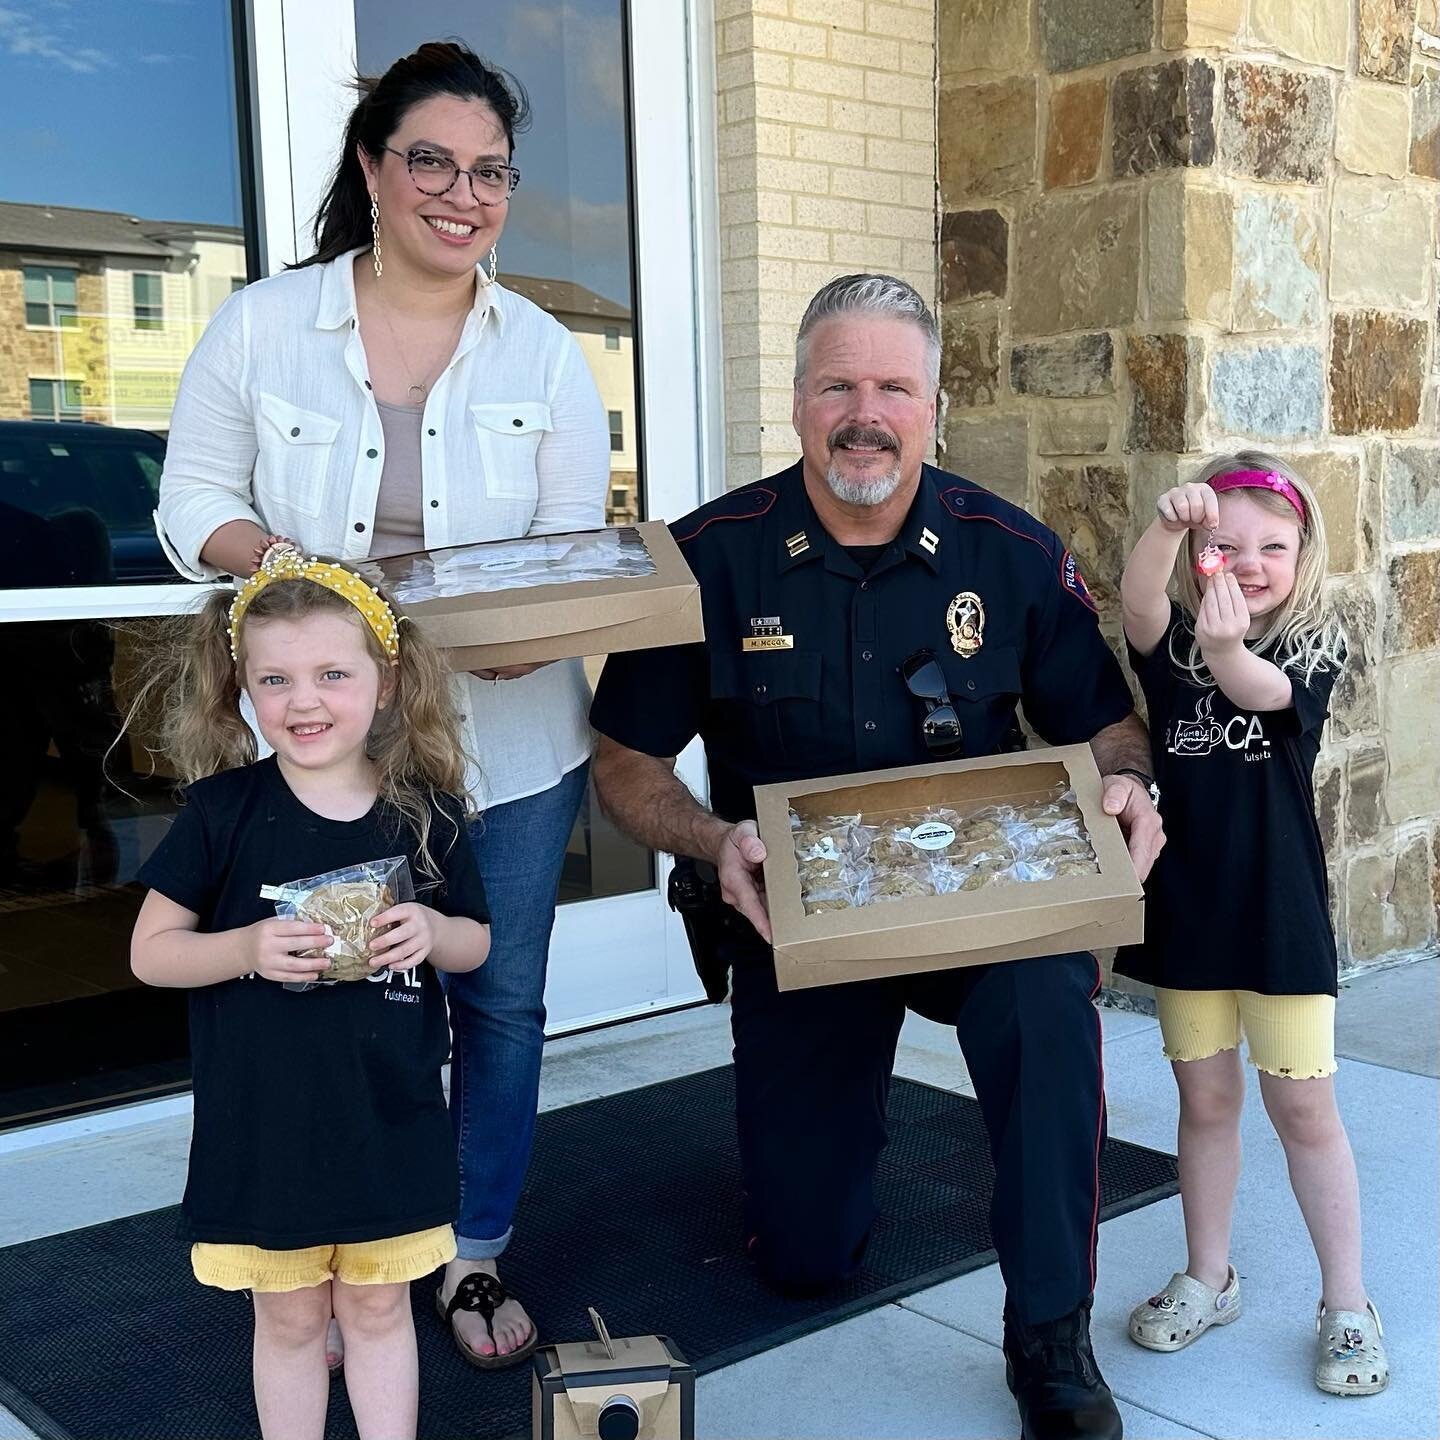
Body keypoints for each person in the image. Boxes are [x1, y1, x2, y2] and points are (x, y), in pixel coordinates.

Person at [589, 273, 1166, 1440]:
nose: (867, 412)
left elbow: (1105, 721)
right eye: (839, 385)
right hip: (799, 927)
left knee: (1053, 1002)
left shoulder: (1009, 554)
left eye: (894, 386)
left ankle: (1051, 1332)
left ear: (934, 404)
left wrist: (1133, 784)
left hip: (979, 908)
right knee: (803, 1260)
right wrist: (715, 841)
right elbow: (624, 763)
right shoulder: (710, 558)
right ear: (797, 404)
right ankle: (834, 1135)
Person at [156, 40, 610, 1366]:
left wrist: (541, 628)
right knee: (316, 993)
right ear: (372, 167)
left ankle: (469, 1257)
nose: (460, 195)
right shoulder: (263, 322)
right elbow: (193, 506)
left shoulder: (544, 353)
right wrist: (296, 575)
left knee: (495, 1002)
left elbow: (568, 543)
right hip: (320, 750)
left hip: (510, 743)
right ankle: (316, 1244)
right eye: (430, 161)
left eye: (489, 172)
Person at [128, 547, 491, 1439]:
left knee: (376, 1311)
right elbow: (151, 954)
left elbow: (477, 943)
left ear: (387, 677)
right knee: (289, 1320)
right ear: (244, 689)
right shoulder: (223, 813)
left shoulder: (426, 811)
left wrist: (431, 934)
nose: (304, 700)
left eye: (333, 672)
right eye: (275, 678)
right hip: (264, 1130)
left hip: (387, 1119)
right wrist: (245, 947)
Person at [1116, 456, 1388, 1395]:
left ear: (1302, 555)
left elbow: (1266, 696)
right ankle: (1209, 1275)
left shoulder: (1312, 645)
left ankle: (1347, 1302)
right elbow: (1137, 606)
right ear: (1202, 555)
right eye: (1226, 544)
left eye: (1274, 546)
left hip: (1279, 923)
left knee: (1304, 1111)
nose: (1252, 561)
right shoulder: (1175, 641)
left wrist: (1232, 653)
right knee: (1206, 1104)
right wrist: (1164, 525)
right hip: (1191, 914)